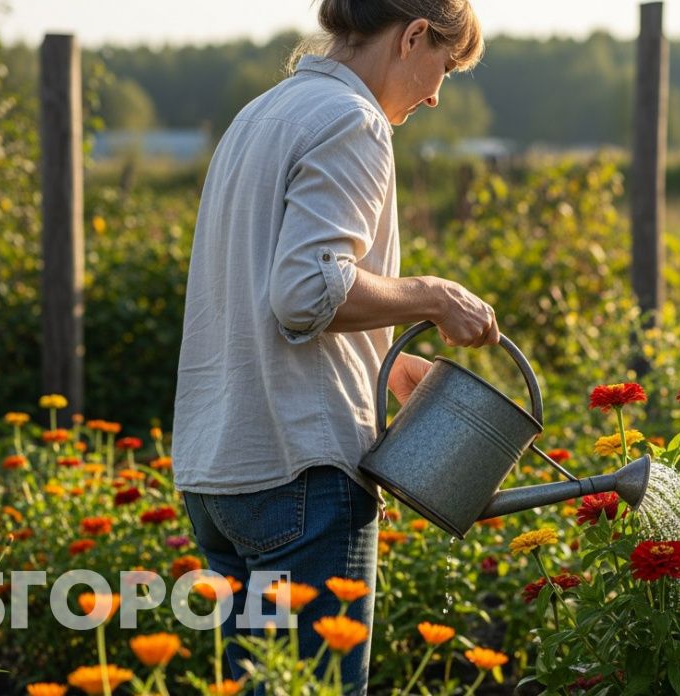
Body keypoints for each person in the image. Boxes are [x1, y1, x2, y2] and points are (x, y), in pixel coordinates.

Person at [170, 1, 491, 692]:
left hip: (221, 472)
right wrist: (433, 294)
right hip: (300, 474)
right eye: (446, 66)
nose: (437, 94)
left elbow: (264, 291)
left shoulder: (262, 114)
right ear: (412, 37)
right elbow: (306, 292)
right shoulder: (353, 120)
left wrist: (387, 362)